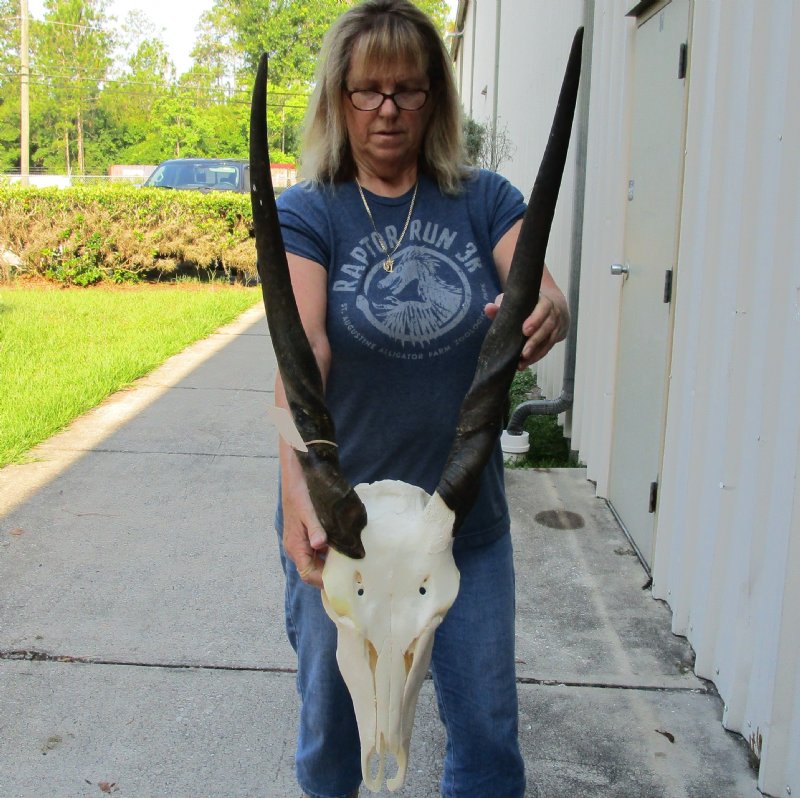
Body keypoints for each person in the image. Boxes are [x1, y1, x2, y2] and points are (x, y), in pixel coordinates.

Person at [273, 2, 569, 796]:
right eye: (368, 91)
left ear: (435, 97)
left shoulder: (482, 199)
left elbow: (534, 287)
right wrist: (298, 491)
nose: (388, 110)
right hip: (345, 530)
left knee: (486, 738)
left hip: (460, 527)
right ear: (338, 98)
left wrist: (549, 308)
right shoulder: (311, 210)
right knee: (335, 733)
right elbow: (304, 354)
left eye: (407, 89)